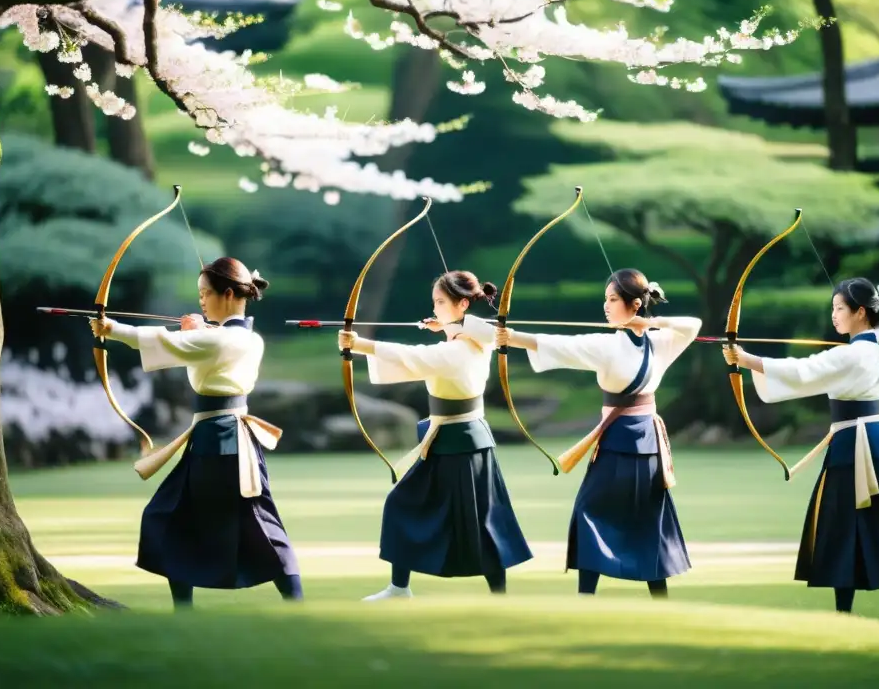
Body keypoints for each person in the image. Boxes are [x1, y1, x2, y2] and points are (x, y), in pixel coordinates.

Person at [90, 257, 302, 609]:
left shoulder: (229, 340)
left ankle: (295, 604)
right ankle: (185, 614)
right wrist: (200, 330)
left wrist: (112, 329)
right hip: (213, 438)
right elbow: (198, 343)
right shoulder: (226, 338)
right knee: (173, 517)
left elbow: (166, 342)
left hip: (225, 441)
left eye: (205, 293)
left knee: (256, 524)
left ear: (229, 292)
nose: (201, 301)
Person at [722, 277, 879, 626]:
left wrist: (746, 358)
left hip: (857, 447)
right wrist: (871, 333)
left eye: (840, 308)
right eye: (833, 308)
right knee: (847, 526)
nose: (834, 315)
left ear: (860, 312)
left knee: (867, 526)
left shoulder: (849, 356)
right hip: (870, 445)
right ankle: (870, 614)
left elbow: (803, 371)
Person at [496, 269, 701, 598]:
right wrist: (508, 336)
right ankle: (597, 597)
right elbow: (555, 344)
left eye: (612, 299)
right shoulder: (609, 345)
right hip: (629, 441)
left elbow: (693, 324)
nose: (605, 306)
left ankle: (611, 597)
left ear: (635, 304)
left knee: (623, 517)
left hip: (637, 444)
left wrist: (652, 323)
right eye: (605, 299)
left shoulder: (659, 342)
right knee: (605, 514)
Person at [338, 270, 532, 600]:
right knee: (405, 503)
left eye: (441, 302)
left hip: (463, 442)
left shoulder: (461, 349)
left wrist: (361, 345)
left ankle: (497, 595)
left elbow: (415, 357)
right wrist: (448, 325)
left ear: (463, 304)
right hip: (450, 439)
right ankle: (400, 587)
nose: (436, 308)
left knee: (480, 519)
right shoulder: (466, 341)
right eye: (435, 302)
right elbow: (458, 338)